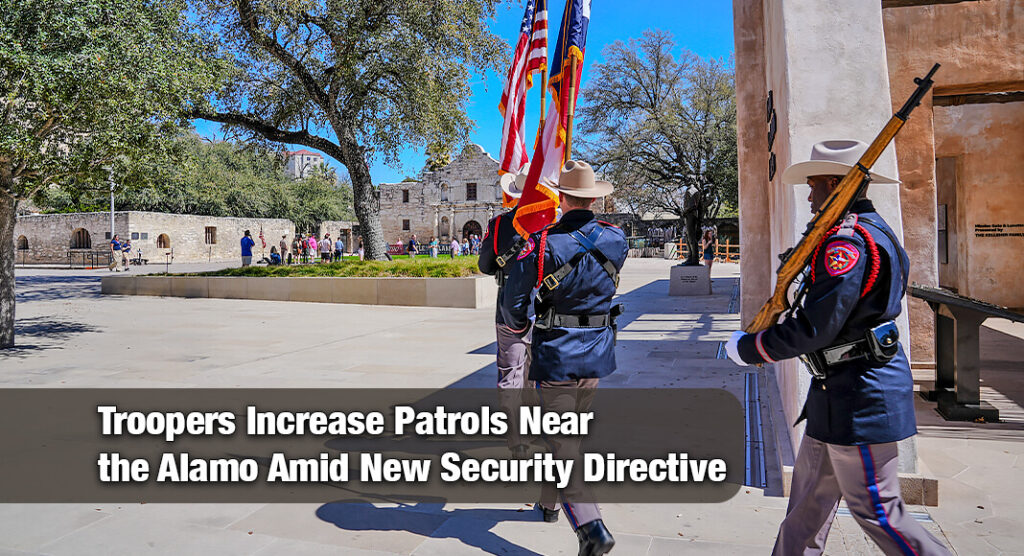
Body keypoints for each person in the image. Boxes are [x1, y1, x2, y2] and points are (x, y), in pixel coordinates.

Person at [725, 140, 950, 556]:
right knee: (807, 508)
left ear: (835, 184)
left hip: (861, 396)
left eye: (814, 185)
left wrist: (754, 346)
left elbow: (816, 327)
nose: (809, 196)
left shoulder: (848, 242)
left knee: (878, 512)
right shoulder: (868, 232)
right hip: (837, 393)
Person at [501, 160, 627, 556]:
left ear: (563, 197)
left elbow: (514, 305)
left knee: (560, 441)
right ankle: (549, 502)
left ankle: (591, 526)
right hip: (598, 350)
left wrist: (520, 330)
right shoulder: (616, 239)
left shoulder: (545, 243)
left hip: (557, 352)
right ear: (594, 199)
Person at [478, 169, 532, 458]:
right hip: (544, 310)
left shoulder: (499, 225)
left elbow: (485, 265)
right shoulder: (551, 224)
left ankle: (516, 439)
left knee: (510, 376)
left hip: (508, 308)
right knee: (537, 376)